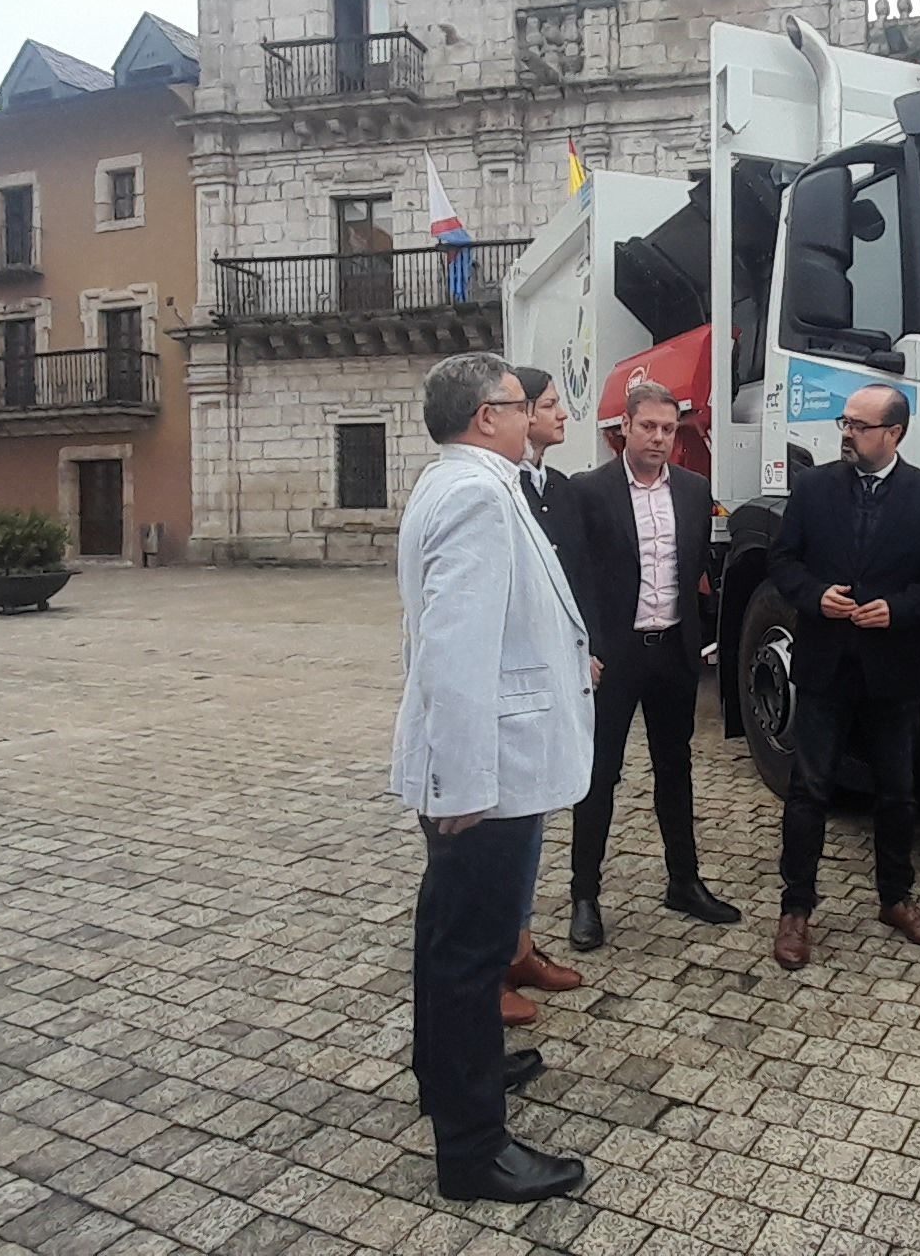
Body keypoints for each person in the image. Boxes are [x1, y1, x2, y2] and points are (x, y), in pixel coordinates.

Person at [390, 352, 592, 1204]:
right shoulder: (474, 494)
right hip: (491, 774)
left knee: (452, 942)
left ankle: (454, 1069)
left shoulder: (471, 482)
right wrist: (467, 787)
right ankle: (473, 1151)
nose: (531, 415)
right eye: (519, 405)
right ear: (485, 417)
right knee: (470, 952)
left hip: (488, 765)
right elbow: (454, 651)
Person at [767, 383, 920, 971]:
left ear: (894, 434)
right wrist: (814, 597)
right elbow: (782, 561)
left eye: (859, 424)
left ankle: (895, 899)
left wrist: (899, 610)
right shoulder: (814, 487)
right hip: (826, 663)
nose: (846, 433)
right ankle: (795, 910)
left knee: (898, 791)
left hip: (891, 667)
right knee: (809, 791)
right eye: (844, 422)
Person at [568, 381, 742, 954]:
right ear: (624, 428)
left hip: (672, 649)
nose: (660, 439)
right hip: (614, 654)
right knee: (601, 775)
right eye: (649, 427)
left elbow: (696, 568)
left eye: (669, 429)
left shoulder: (693, 491)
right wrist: (587, 646)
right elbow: (577, 579)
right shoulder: (589, 491)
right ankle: (585, 895)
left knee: (677, 767)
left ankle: (683, 882)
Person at [500, 366, 585, 1026]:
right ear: (519, 413)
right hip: (510, 688)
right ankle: (489, 964)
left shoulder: (554, 487)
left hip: (556, 675)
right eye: (552, 404)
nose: (563, 414)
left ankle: (519, 945)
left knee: (534, 820)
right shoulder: (494, 493)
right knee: (501, 832)